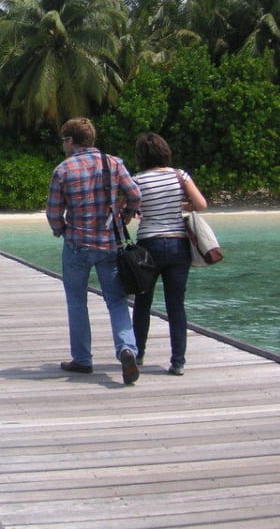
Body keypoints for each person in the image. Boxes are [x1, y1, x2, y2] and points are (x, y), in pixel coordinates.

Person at [46, 117, 142, 385]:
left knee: (77, 302)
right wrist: (124, 217)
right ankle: (126, 349)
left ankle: (82, 359)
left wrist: (62, 230)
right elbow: (135, 193)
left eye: (63, 140)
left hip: (77, 244)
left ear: (70, 141)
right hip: (108, 243)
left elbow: (54, 213)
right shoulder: (113, 163)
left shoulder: (63, 170)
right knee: (116, 301)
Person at [130, 132, 208, 376]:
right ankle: (178, 361)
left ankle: (138, 354)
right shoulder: (179, 175)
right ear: (165, 151)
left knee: (143, 303)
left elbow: (130, 210)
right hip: (177, 245)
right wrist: (179, 205)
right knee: (176, 305)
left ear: (141, 156)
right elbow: (201, 205)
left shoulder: (137, 180)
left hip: (148, 245)